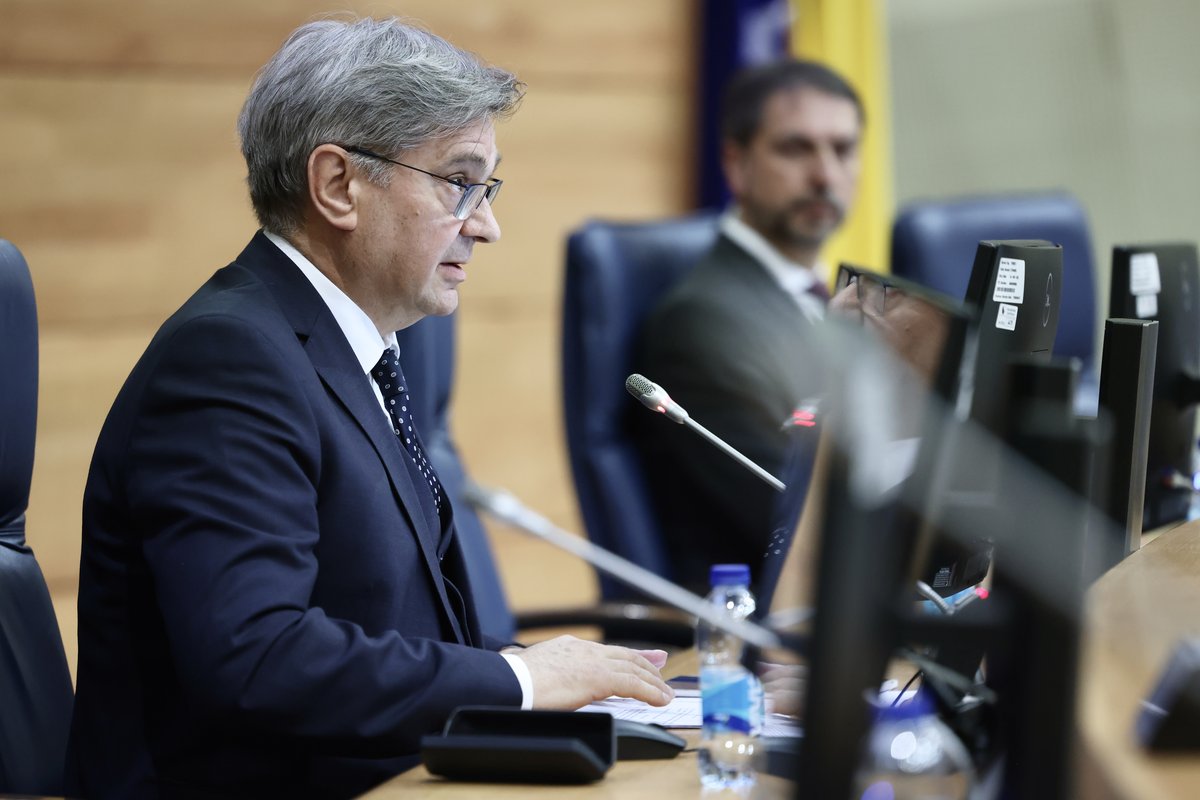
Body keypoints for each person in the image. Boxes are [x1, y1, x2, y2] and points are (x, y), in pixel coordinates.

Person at [67, 17, 672, 800]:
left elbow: (393, 628)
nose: (487, 225)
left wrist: (553, 672)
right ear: (337, 185)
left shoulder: (356, 357)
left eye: (487, 188)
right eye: (459, 182)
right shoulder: (229, 360)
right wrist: (520, 680)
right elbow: (257, 657)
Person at [633, 58, 865, 592]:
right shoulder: (704, 323)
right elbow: (801, 516)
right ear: (736, 165)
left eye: (843, 149)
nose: (825, 175)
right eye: (796, 148)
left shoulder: (831, 300)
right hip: (761, 618)